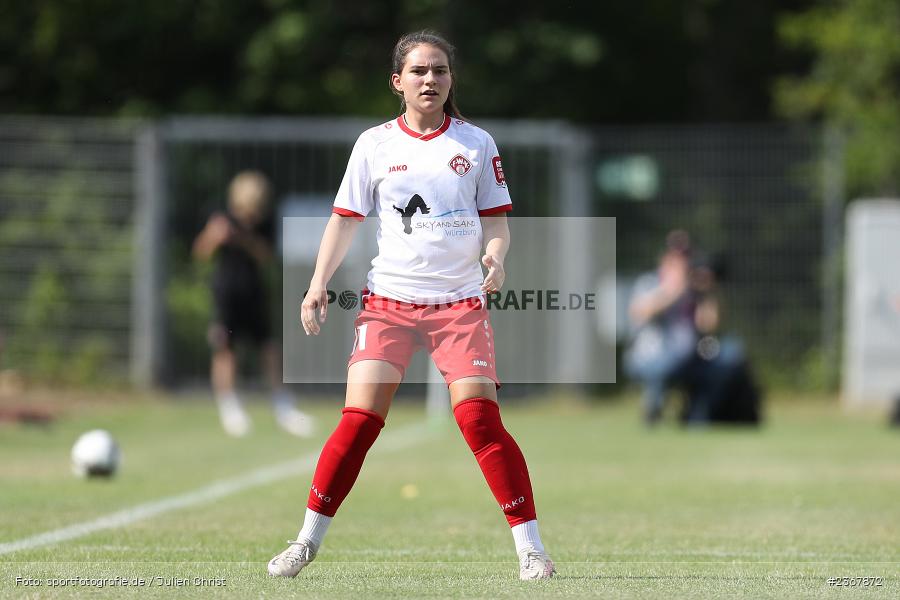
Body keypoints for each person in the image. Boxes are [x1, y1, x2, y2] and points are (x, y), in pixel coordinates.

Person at [266, 31, 555, 581]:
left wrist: (496, 257)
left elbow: (496, 220)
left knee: (478, 420)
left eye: (440, 71)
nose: (431, 80)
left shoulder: (475, 143)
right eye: (420, 71)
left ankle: (531, 550)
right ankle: (304, 543)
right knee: (358, 423)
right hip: (388, 304)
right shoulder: (374, 145)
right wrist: (316, 284)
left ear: (451, 80)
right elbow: (345, 220)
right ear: (398, 82)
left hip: (458, 307)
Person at [193, 170, 313, 438]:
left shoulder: (265, 224)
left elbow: (266, 255)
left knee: (268, 347)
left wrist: (244, 239)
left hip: (255, 292)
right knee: (226, 349)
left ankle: (282, 404)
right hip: (226, 293)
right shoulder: (221, 218)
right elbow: (201, 251)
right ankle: (230, 407)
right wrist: (216, 236)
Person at [624, 231, 699, 424]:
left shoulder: (695, 288)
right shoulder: (648, 283)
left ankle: (697, 414)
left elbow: (708, 324)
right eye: (674, 257)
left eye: (684, 258)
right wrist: (672, 292)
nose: (680, 263)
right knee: (658, 367)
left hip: (689, 355)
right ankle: (653, 409)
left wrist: (710, 293)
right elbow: (640, 311)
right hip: (648, 356)